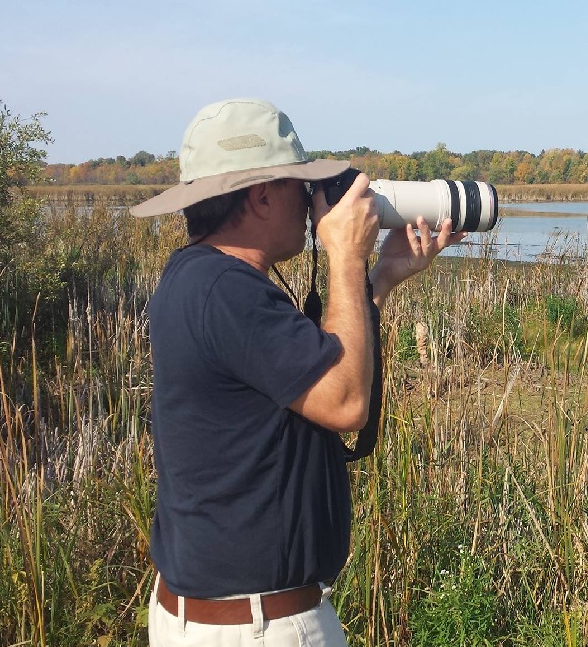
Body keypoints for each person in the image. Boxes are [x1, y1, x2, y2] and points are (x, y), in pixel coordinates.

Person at [128, 99, 461, 646]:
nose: (312, 204)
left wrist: (378, 277)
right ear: (260, 195)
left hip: (220, 617)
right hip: (255, 627)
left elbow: (306, 361)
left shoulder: (200, 279)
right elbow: (346, 403)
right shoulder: (228, 292)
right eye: (298, 186)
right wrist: (345, 257)